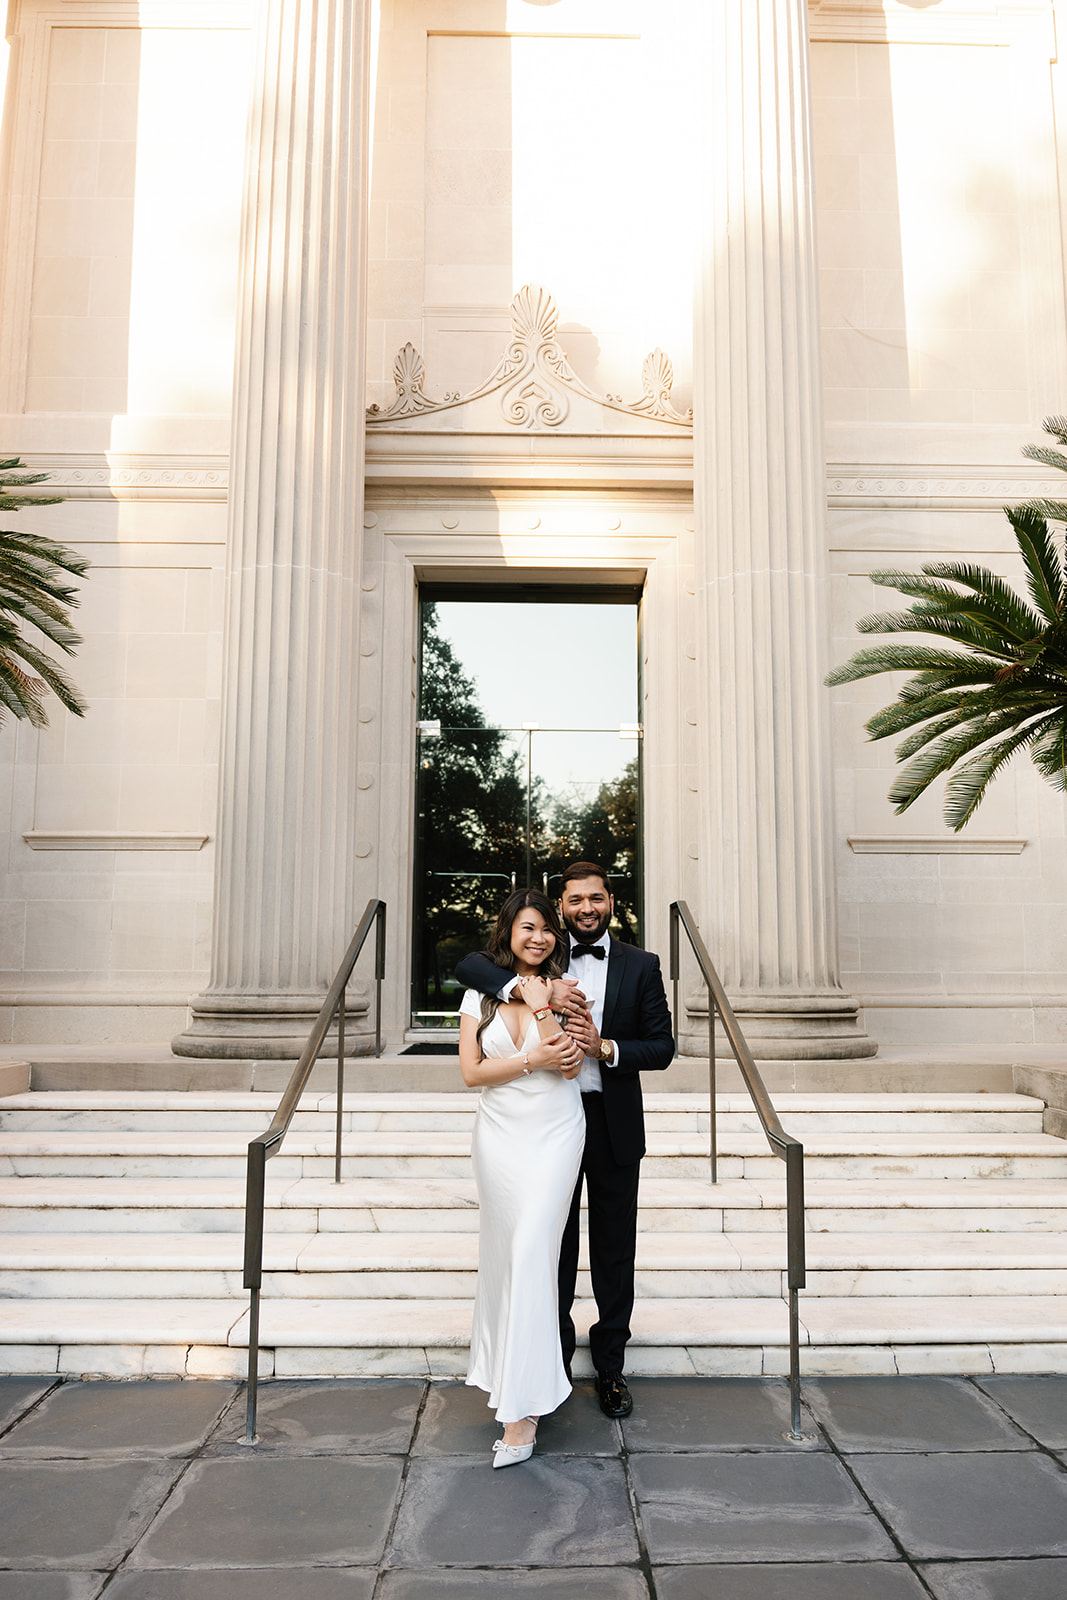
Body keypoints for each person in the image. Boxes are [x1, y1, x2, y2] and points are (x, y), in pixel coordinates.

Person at [456, 861, 674, 1420]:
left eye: (595, 898)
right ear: (561, 909)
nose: (586, 908)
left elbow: (662, 1048)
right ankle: (545, 1365)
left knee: (612, 1248)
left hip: (609, 1121)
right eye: (574, 901)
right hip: (542, 1125)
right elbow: (469, 963)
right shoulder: (540, 962)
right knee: (549, 1249)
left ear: (609, 901)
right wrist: (525, 990)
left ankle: (609, 1369)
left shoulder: (642, 965)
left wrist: (603, 1047)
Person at [458, 888, 585, 1468]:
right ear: (508, 932)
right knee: (507, 1257)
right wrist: (529, 1055)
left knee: (535, 1251)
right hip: (500, 1139)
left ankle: (526, 1409)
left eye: (547, 930)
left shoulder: (566, 995)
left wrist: (541, 1008)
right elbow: (471, 1073)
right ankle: (504, 1377)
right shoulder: (477, 996)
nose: (539, 938)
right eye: (527, 928)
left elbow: (570, 1061)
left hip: (556, 1133)